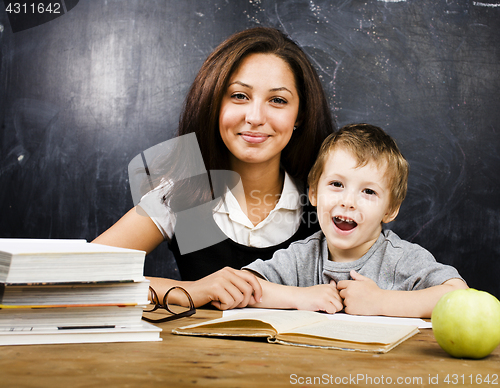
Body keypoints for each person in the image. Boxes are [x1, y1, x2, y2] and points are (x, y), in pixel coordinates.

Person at [92, 27, 336, 310]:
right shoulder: (181, 197)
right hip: (199, 355)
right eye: (239, 96)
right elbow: (80, 274)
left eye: (277, 100)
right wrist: (189, 291)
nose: (255, 117)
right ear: (214, 104)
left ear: (300, 116)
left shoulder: (330, 202)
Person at [243, 124, 468, 318]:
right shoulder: (302, 257)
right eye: (337, 184)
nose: (349, 201)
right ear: (313, 193)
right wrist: (300, 297)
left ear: (389, 209)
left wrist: (381, 302)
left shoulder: (400, 259)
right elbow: (240, 285)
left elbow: (459, 295)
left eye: (368, 191)